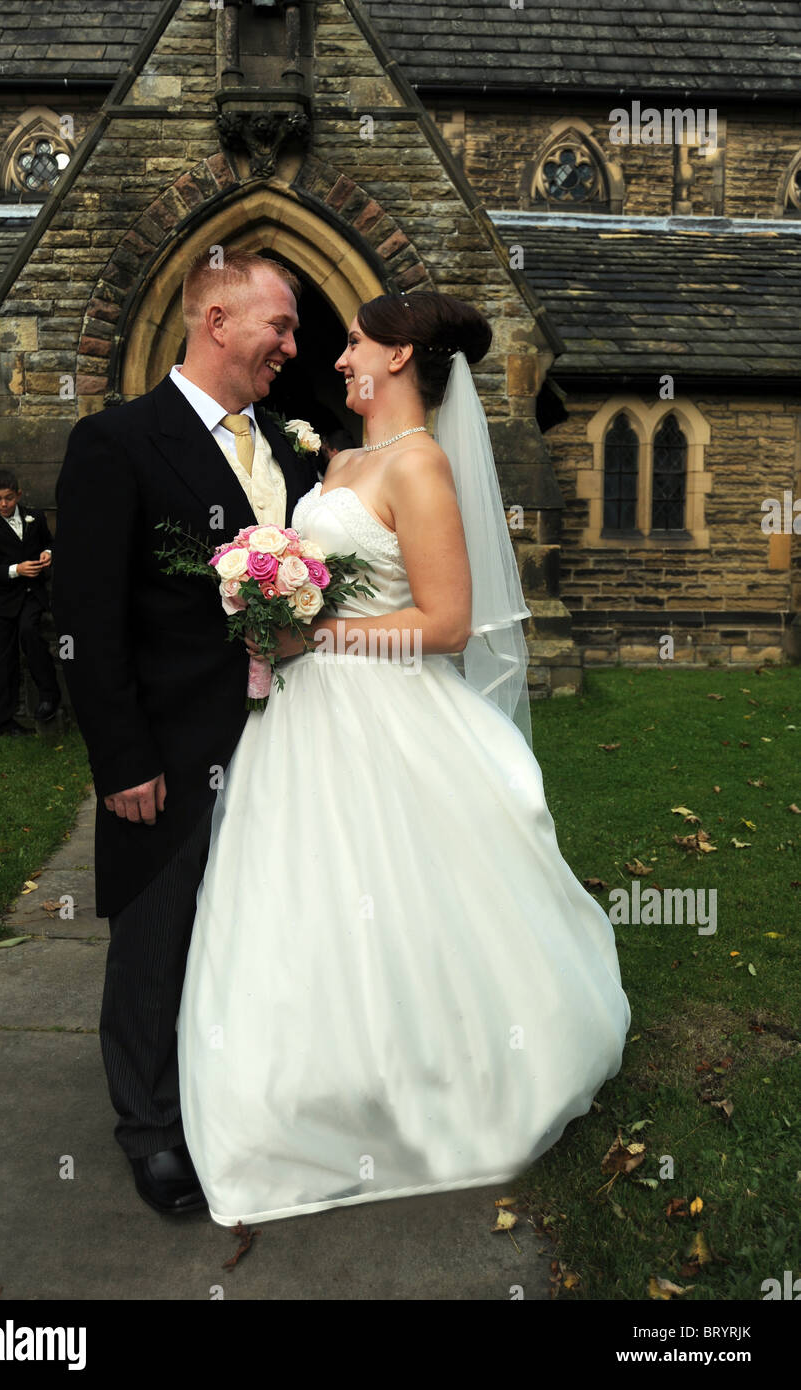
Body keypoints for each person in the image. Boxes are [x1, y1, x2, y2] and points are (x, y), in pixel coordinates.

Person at [178, 291, 631, 1226]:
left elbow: (448, 623)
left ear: (399, 356)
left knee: (394, 891)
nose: (338, 359)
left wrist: (321, 632)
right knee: (295, 899)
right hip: (300, 719)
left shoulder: (420, 465)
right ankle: (307, 1088)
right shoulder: (342, 458)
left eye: (353, 343)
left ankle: (423, 1080)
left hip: (376, 709)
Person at [51, 251, 318, 1214]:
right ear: (215, 320)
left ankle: (234, 1097)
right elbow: (85, 617)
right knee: (157, 935)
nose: (292, 346)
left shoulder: (290, 452)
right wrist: (120, 757)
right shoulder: (116, 442)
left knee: (256, 930)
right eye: (279, 327)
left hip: (287, 737)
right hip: (169, 747)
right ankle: (151, 1127)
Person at [0, 470, 60, 736]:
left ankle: (49, 696)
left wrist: (48, 553)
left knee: (29, 632)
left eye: (9, 498)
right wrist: (16, 570)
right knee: (2, 660)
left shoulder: (35, 517)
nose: (4, 504)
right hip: (3, 601)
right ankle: (5, 722)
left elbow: (49, 542)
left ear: (18, 495)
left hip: (33, 596)